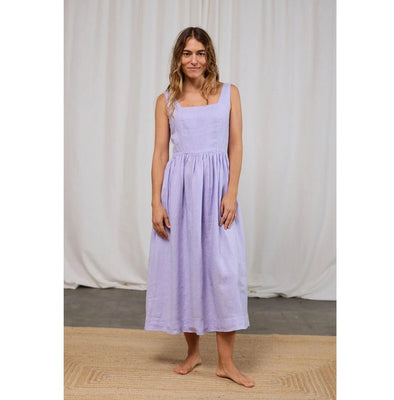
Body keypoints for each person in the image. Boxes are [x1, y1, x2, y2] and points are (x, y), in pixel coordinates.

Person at [144, 26, 255, 388]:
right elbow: (160, 153)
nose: (194, 60)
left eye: (200, 53)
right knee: (186, 267)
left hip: (218, 189)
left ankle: (226, 363)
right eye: (187, 53)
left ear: (210, 57)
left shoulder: (229, 93)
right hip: (180, 193)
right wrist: (156, 201)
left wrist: (231, 191)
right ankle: (193, 353)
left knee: (225, 271)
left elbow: (236, 146)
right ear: (178, 58)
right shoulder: (166, 100)